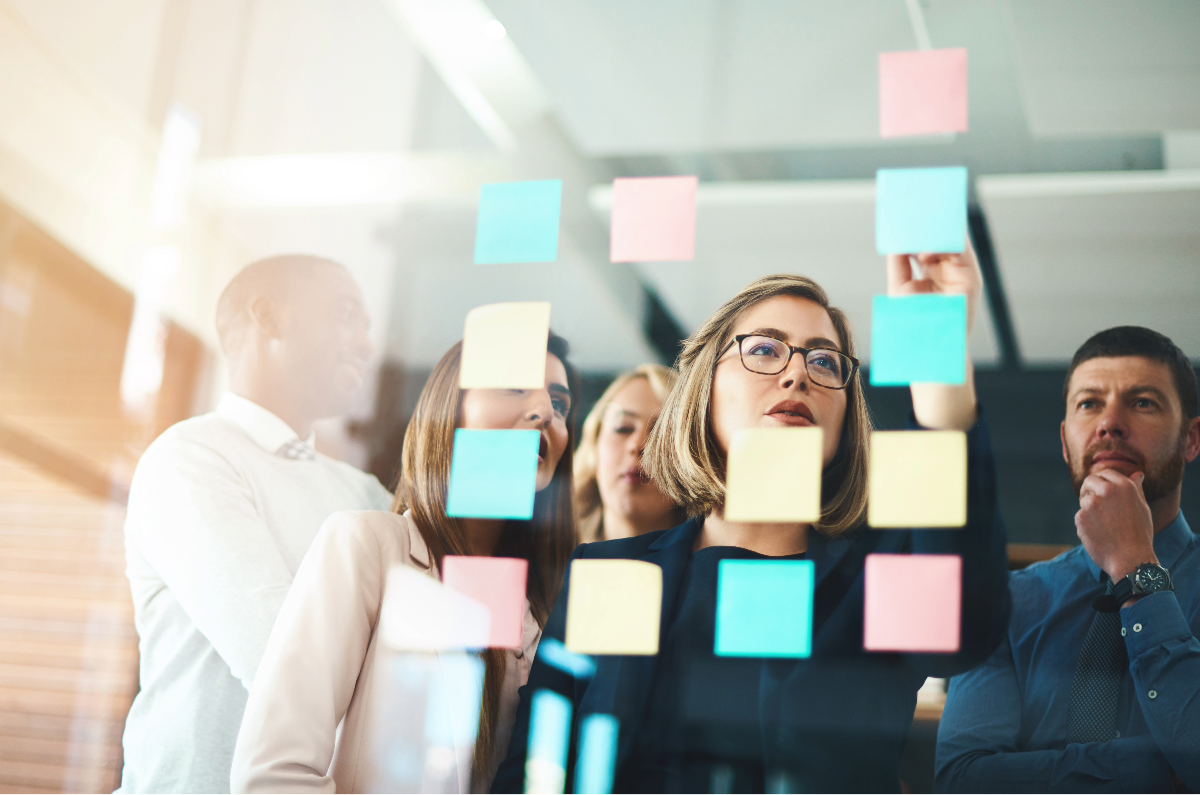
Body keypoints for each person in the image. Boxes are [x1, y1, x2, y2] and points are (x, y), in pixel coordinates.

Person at [493, 247, 1011, 793]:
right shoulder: (610, 571)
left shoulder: (872, 579)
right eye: (764, 349)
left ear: (844, 420)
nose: (796, 373)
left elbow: (960, 631)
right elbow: (533, 769)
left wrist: (937, 358)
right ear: (704, 390)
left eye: (824, 361)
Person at [230, 334, 581, 794]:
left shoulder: (553, 601)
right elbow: (272, 776)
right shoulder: (367, 546)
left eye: (559, 402)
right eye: (515, 388)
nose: (544, 411)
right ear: (449, 410)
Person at [118, 255, 393, 793]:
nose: (366, 344)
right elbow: (279, 655)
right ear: (268, 317)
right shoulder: (191, 457)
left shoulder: (362, 493)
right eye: (346, 315)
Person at [936, 326, 1200, 792]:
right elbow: (963, 780)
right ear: (1065, 441)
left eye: (1142, 402)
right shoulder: (1009, 603)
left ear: (1191, 440)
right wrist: (1158, 770)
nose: (1109, 423)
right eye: (1089, 403)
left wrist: (1136, 567)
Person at [574, 364, 684, 543]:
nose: (637, 445)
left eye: (662, 432)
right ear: (594, 448)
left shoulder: (716, 566)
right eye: (622, 428)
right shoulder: (547, 560)